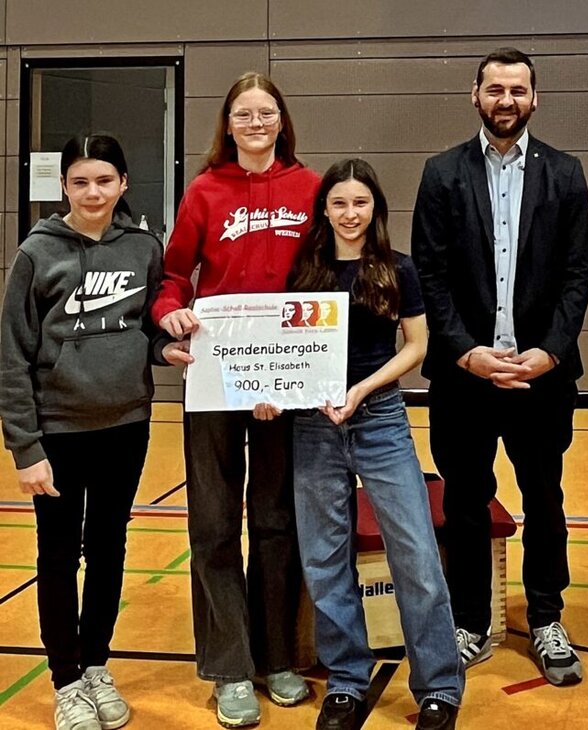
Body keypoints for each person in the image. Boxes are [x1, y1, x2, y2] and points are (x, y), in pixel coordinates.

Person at [411, 47, 588, 685]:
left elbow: (577, 276)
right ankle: (469, 620)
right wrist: (467, 352)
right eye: (495, 89)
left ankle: (546, 617)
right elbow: (428, 275)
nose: (506, 100)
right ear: (476, 95)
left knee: (545, 498)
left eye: (518, 90)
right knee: (465, 502)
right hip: (465, 377)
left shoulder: (567, 175)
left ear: (534, 98)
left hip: (542, 377)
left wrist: (549, 352)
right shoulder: (441, 174)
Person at [265, 159, 462, 730]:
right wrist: (274, 389)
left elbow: (417, 347)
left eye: (361, 203)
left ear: (375, 208)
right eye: (339, 203)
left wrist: (362, 389)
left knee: (417, 555)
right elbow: (281, 347)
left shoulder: (397, 269)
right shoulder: (304, 269)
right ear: (323, 210)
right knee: (325, 560)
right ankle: (347, 681)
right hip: (312, 427)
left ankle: (439, 687)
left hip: (380, 421)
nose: (350, 214)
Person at [0, 134, 186, 730]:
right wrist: (25, 447)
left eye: (104, 180)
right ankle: (65, 680)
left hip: (126, 426)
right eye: (80, 182)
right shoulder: (36, 253)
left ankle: (97, 665)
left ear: (123, 184)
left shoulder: (142, 248)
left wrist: (167, 348)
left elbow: (146, 326)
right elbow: (12, 355)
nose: (93, 192)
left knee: (109, 550)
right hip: (58, 431)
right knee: (57, 556)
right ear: (64, 188)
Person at [151, 71, 320, 727]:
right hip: (217, 377)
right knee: (215, 524)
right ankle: (228, 668)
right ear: (227, 124)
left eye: (266, 112)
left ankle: (277, 655)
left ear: (282, 120)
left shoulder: (310, 189)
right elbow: (172, 278)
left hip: (286, 381)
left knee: (276, 520)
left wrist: (288, 375)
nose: (255, 123)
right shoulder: (204, 192)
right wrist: (170, 315)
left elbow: (327, 280)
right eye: (243, 114)